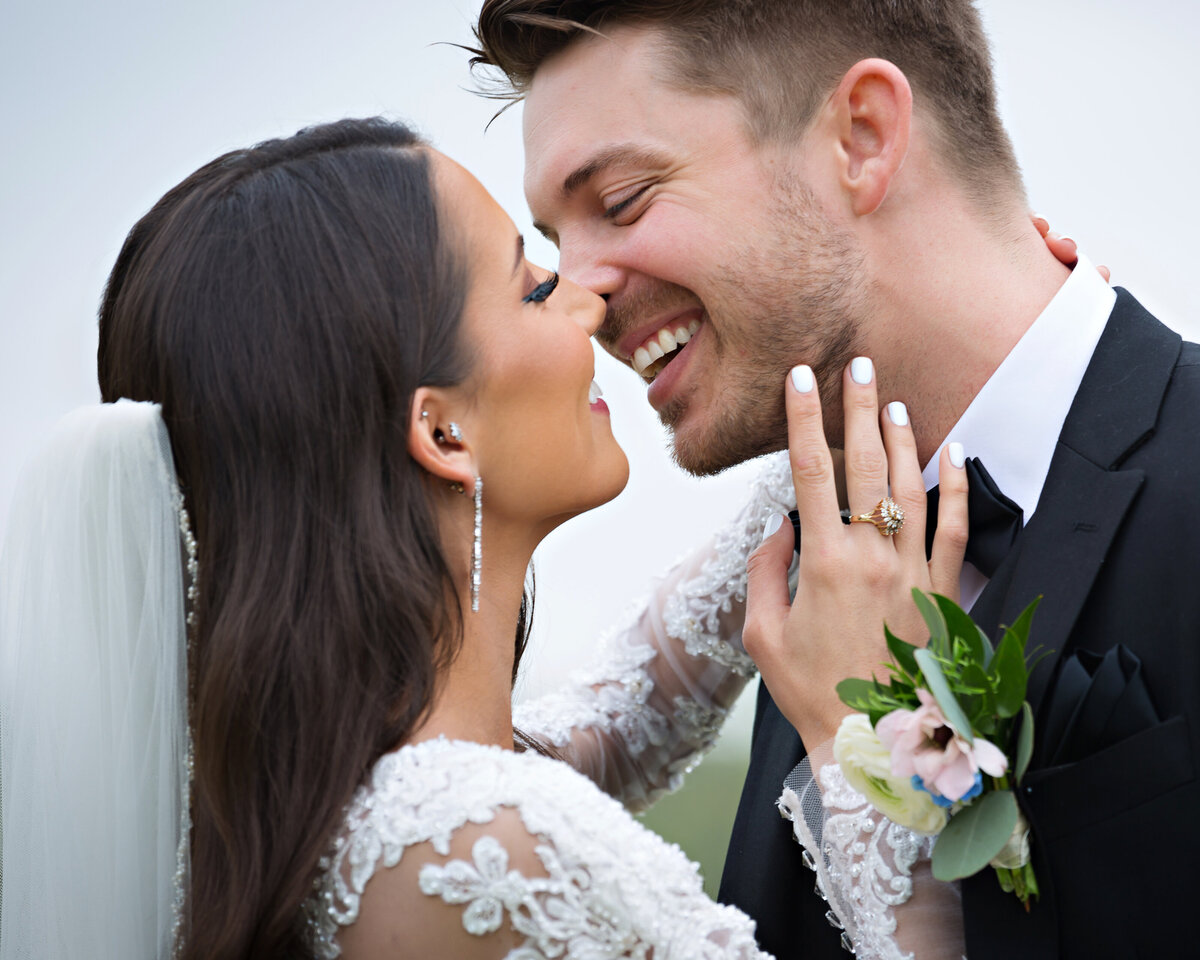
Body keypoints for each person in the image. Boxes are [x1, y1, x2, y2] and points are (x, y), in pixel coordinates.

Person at [0, 117, 972, 960]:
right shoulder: (470, 842)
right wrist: (867, 743)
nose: (590, 300)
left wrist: (929, 343)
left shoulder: (363, 801)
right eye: (532, 288)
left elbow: (633, 705)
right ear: (441, 432)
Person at [470, 1, 1200, 957]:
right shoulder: (803, 554)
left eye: (621, 201)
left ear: (862, 137)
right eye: (555, 239)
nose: (581, 295)